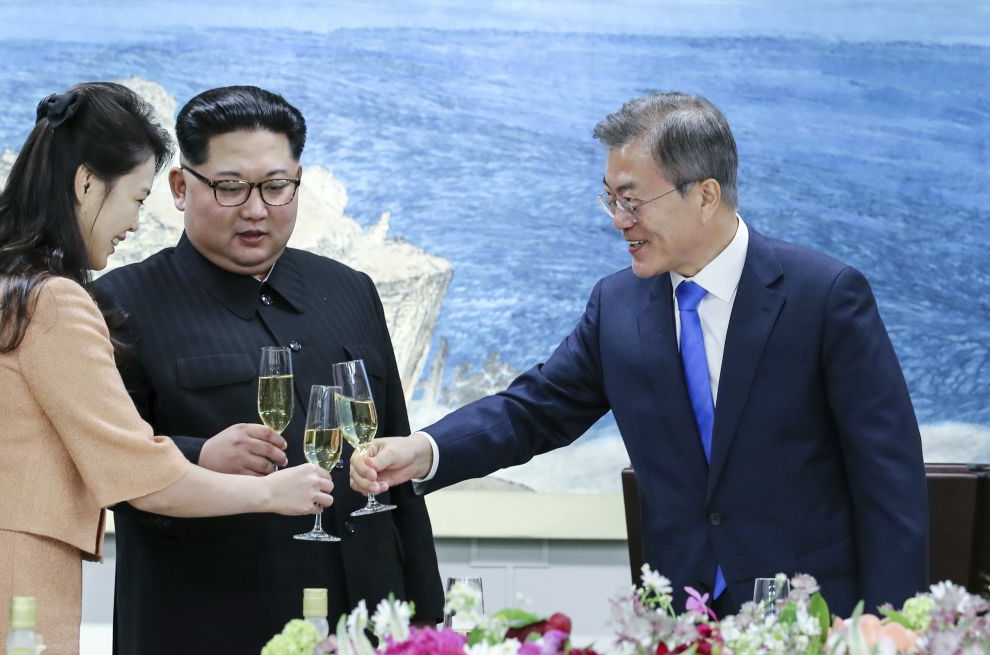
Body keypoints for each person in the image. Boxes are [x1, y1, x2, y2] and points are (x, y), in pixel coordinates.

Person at [351, 92, 929, 619]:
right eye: (610, 200)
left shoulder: (822, 296)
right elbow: (535, 410)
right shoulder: (619, 304)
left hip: (816, 612)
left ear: (705, 195)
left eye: (632, 201)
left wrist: (893, 620)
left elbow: (889, 471)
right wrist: (425, 450)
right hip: (680, 618)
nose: (619, 221)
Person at [0, 82, 334, 655]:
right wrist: (273, 491)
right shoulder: (54, 302)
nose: (134, 224)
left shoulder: (0, 289)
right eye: (134, 198)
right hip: (9, 604)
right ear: (85, 185)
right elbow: (139, 472)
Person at [92, 85, 443, 655]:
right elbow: (103, 470)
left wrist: (428, 633)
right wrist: (201, 455)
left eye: (277, 186)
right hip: (204, 653)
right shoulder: (120, 304)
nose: (255, 210)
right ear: (179, 185)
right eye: (229, 187)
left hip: (362, 651)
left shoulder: (350, 291)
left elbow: (397, 472)